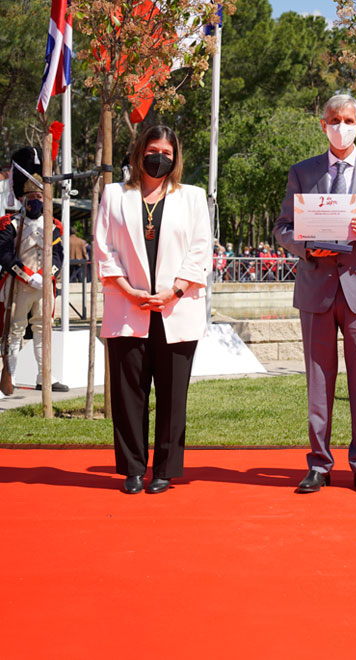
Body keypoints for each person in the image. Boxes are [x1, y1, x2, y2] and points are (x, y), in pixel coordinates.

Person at [274, 94, 356, 494]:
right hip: (317, 288)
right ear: (323, 124)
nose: (341, 126)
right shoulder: (303, 172)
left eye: (348, 120)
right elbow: (282, 228)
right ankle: (319, 464)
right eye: (334, 119)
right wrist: (306, 246)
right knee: (318, 381)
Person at [94, 125, 212, 495]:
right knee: (129, 394)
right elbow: (103, 247)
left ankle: (164, 468)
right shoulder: (114, 195)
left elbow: (200, 249)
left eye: (167, 151)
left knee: (173, 395)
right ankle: (132, 467)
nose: (159, 157)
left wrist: (174, 291)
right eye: (152, 149)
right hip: (127, 306)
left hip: (176, 308)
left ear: (175, 158)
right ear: (139, 151)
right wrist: (127, 289)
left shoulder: (192, 197)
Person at [0, 146, 68, 393]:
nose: (37, 201)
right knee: (14, 331)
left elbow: (59, 255)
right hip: (19, 286)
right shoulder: (11, 224)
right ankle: (11, 377)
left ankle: (44, 378)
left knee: (43, 331)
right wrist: (27, 275)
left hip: (44, 284)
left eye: (40, 197)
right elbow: (5, 255)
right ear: (23, 199)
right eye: (33, 198)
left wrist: (48, 275)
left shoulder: (54, 225)